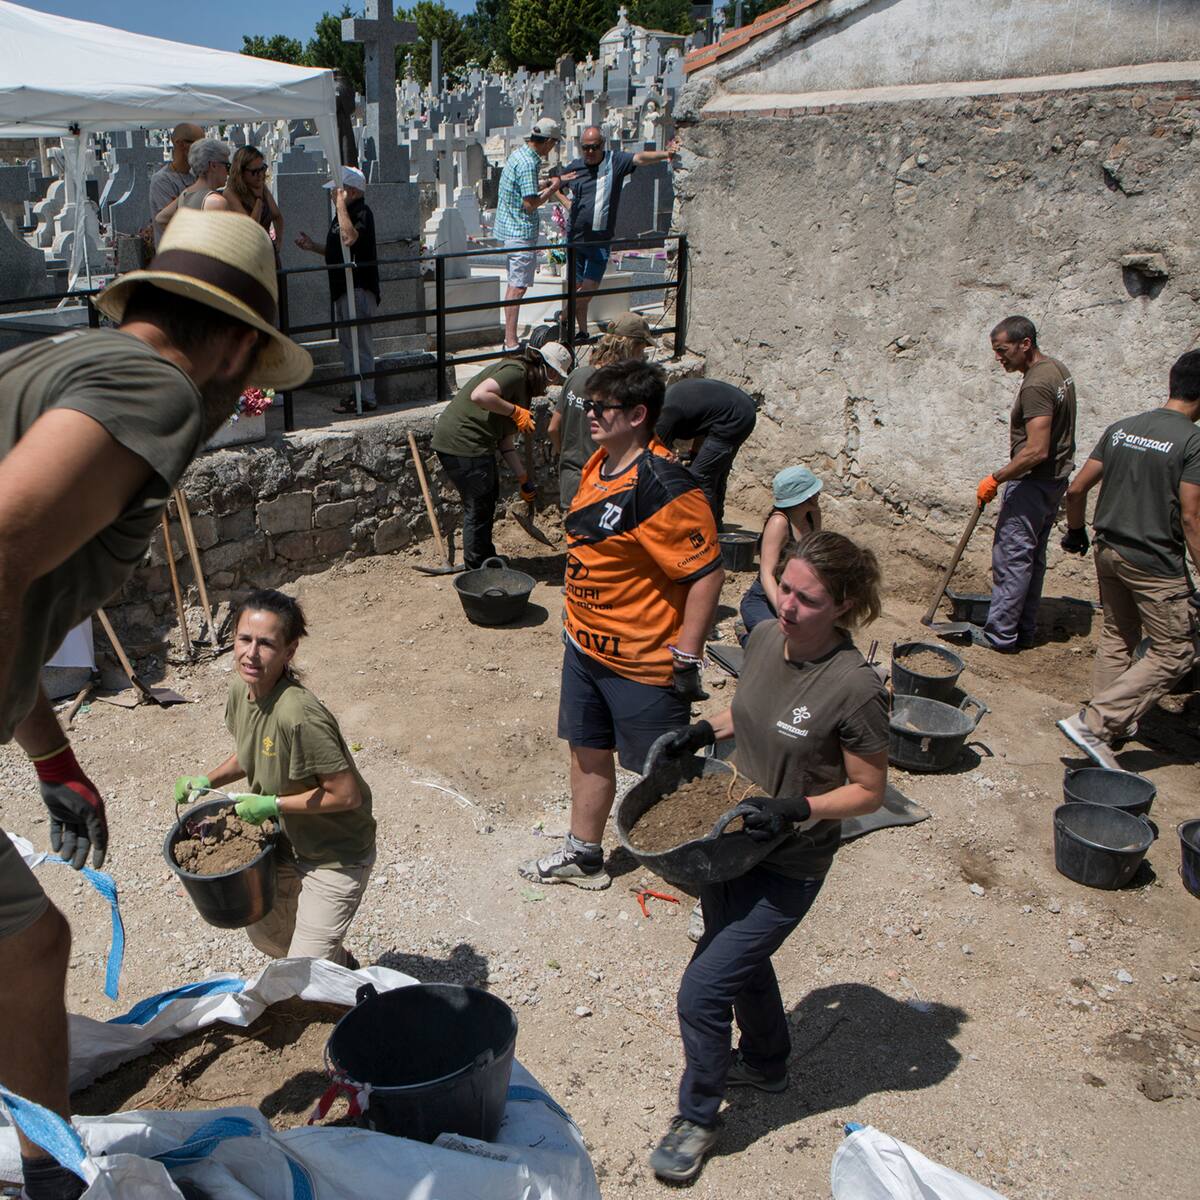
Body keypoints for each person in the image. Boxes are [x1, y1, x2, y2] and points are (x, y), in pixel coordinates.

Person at [0, 209, 310, 1200]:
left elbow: (19, 599)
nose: (245, 394)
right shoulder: (160, 387)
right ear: (226, 339)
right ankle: (49, 1186)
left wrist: (51, 758)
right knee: (30, 944)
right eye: (252, 369)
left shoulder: (66, 362)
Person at [647, 531, 888, 1183]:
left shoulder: (854, 686)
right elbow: (748, 709)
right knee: (738, 958)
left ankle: (698, 1118)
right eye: (786, 588)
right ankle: (769, 1063)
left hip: (790, 859)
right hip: (732, 841)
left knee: (702, 989)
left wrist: (800, 809)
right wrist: (704, 729)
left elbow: (870, 791)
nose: (788, 605)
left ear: (842, 607)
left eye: (807, 600)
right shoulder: (760, 639)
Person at [520, 361, 724, 890]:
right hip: (585, 649)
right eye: (589, 404)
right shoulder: (600, 465)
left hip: (642, 661)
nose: (589, 415)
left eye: (600, 407)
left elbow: (706, 574)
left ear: (638, 414)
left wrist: (687, 654)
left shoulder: (664, 486)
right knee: (587, 750)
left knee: (666, 776)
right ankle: (584, 854)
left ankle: (706, 880)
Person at [174, 590, 376, 965]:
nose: (251, 653)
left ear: (289, 651)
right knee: (267, 936)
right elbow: (251, 752)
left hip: (334, 854)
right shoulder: (241, 689)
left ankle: (348, 991)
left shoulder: (299, 715)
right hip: (283, 843)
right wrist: (206, 780)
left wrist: (273, 803)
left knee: (304, 971)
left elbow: (347, 795)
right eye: (244, 639)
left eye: (266, 643)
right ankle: (339, 966)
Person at [1056, 350, 1200, 768]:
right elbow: (1192, 517)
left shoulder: (1122, 429)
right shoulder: (1192, 442)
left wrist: (1077, 532)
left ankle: (1108, 732)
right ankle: (1096, 724)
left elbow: (1077, 489)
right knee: (1177, 651)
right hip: (1154, 563)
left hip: (1108, 551)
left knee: (1118, 636)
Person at [973, 316, 1077, 652]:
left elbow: (1036, 450)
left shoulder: (1035, 385)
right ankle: (1024, 629)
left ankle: (1000, 634)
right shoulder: (1057, 370)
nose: (999, 358)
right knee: (1032, 559)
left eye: (1003, 350)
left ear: (1025, 344)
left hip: (1032, 483)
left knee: (1013, 558)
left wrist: (996, 477)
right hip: (1054, 482)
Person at [431, 343, 573, 568]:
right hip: (461, 441)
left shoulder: (524, 388)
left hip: (477, 443)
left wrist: (523, 477)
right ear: (551, 371)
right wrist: (515, 411)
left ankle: (486, 559)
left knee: (488, 498)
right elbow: (480, 395)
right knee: (478, 504)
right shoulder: (516, 372)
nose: (549, 386)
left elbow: (504, 440)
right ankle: (477, 568)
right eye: (553, 379)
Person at [553, 126, 678, 341]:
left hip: (599, 240)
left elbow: (640, 158)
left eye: (594, 147)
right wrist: (567, 203)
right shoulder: (575, 167)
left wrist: (666, 154)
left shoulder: (615, 161)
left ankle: (563, 317)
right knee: (577, 287)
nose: (589, 152)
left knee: (589, 289)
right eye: (585, 148)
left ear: (602, 145)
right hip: (575, 240)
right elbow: (556, 183)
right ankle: (581, 331)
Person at [548, 311, 656, 508]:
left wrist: (565, 455)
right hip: (602, 486)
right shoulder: (619, 388)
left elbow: (553, 428)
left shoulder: (576, 376)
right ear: (633, 347)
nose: (642, 358)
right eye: (642, 351)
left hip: (571, 481)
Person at [296, 166, 381, 414]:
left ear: (351, 191)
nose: (333, 194)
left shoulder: (362, 212)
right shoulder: (343, 214)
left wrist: (340, 206)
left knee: (360, 344)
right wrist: (313, 247)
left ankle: (366, 397)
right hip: (342, 288)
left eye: (337, 190)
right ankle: (355, 393)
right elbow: (339, 250)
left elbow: (350, 238)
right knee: (347, 345)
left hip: (358, 287)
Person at [494, 117, 572, 352]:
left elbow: (524, 186)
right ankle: (510, 341)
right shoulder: (529, 163)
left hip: (509, 228)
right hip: (520, 230)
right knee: (518, 287)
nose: (553, 148)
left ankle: (510, 338)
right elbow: (530, 203)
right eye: (555, 143)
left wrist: (551, 180)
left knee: (513, 285)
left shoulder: (520, 155)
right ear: (547, 141)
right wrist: (553, 188)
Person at [655, 377, 758, 528]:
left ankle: (705, 530)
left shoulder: (661, 419)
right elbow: (703, 418)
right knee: (716, 474)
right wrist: (694, 455)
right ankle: (716, 525)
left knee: (700, 477)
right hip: (737, 409)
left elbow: (657, 463)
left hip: (734, 418)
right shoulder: (665, 405)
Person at [739, 465, 823, 643]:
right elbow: (766, 574)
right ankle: (746, 636)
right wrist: (783, 609)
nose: (818, 495)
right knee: (778, 646)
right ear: (800, 498)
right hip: (766, 598)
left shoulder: (813, 514)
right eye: (813, 492)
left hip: (797, 596)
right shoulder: (778, 523)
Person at [151, 138, 231, 237]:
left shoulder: (185, 194)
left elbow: (161, 218)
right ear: (213, 166)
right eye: (227, 166)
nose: (228, 172)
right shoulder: (216, 202)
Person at [223, 145, 284, 257]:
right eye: (254, 171)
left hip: (267, 253)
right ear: (241, 172)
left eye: (262, 169)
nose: (260, 175)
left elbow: (277, 216)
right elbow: (251, 229)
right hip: (248, 257)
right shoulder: (231, 194)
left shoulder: (261, 186)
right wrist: (259, 200)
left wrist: (278, 240)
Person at [149, 121, 204, 244]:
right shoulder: (162, 180)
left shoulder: (195, 177)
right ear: (180, 144)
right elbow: (172, 224)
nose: (203, 150)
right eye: (199, 144)